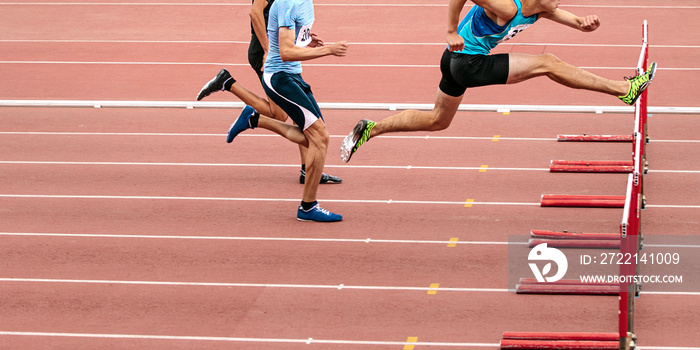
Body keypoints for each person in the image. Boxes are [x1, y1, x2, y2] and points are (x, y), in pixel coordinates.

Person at [340, 0, 657, 163]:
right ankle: (624, 90)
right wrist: (451, 30)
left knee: (438, 120)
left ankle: (371, 128)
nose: (559, 1)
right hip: (468, 62)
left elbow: (575, 21)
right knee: (548, 63)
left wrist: (586, 24)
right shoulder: (508, 6)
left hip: (452, 61)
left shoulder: (540, 10)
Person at [199, 0, 348, 222]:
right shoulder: (288, 1)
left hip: (291, 74)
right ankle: (308, 206)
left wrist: (305, 39)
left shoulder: (304, 2)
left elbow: (290, 37)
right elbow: (284, 50)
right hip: (278, 76)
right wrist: (329, 50)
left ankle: (255, 120)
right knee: (319, 137)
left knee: (317, 138)